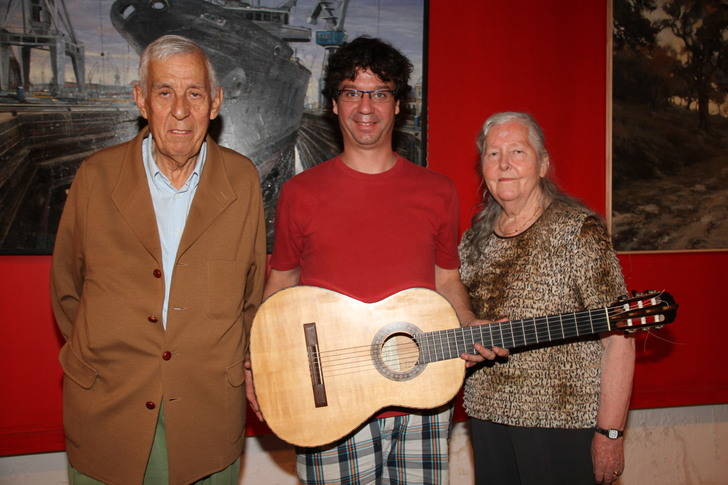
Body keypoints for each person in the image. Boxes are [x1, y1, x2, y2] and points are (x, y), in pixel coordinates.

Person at [245, 36, 503, 485]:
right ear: (333, 103)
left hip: (423, 393)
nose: (365, 106)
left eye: (380, 93)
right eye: (352, 91)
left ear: (398, 105)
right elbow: (279, 287)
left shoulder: (438, 192)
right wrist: (260, 365)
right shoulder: (300, 194)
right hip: (327, 400)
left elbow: (447, 281)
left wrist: (466, 319)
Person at [51, 35, 265, 485]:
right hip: (109, 411)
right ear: (141, 99)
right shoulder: (96, 177)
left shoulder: (242, 180)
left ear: (216, 102)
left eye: (195, 93)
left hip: (207, 418)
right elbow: (67, 291)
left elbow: (251, 294)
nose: (181, 110)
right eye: (165, 92)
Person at [458, 112, 636, 485]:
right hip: (487, 417)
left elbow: (620, 336)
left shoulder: (578, 230)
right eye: (493, 154)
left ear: (543, 164)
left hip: (561, 421)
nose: (504, 164)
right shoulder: (474, 239)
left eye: (518, 151)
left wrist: (611, 433)